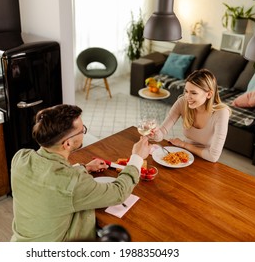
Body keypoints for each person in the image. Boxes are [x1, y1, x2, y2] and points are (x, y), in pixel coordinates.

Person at [10, 104, 151, 242]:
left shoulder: (20, 157)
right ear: (67, 144)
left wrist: (84, 168)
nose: (84, 132)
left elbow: (49, 181)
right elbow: (118, 193)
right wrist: (137, 157)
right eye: (82, 130)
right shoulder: (73, 181)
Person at [149, 69, 231, 163]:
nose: (187, 97)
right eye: (186, 91)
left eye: (193, 93)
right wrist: (154, 133)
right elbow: (162, 132)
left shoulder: (221, 113)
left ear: (209, 94)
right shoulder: (182, 102)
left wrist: (184, 145)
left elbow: (213, 157)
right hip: (186, 156)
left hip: (206, 160)